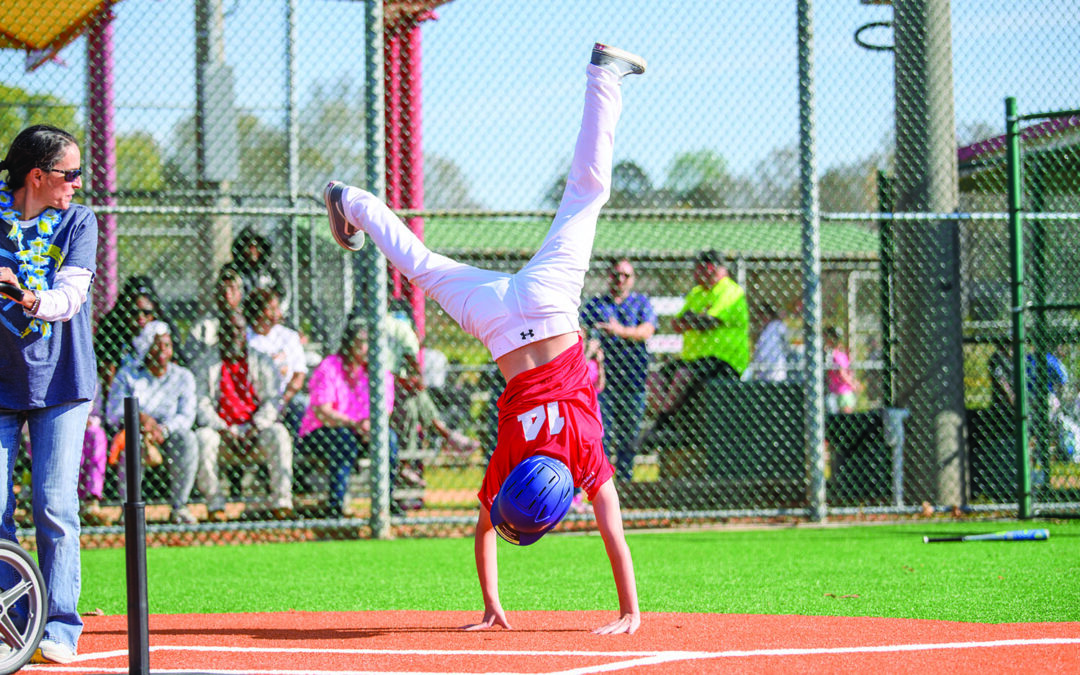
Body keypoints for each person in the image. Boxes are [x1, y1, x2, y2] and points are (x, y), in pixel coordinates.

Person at [322, 43, 644, 635]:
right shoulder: (512, 458)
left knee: (585, 193)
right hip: (499, 324)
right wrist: (490, 602)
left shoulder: (582, 450)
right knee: (419, 265)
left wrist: (631, 609)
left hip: (550, 307)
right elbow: (485, 527)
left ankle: (605, 73)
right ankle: (353, 201)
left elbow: (612, 528)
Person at [0, 124, 97, 664]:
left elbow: (71, 297)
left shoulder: (79, 220)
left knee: (55, 506)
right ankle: (14, 621)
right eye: (70, 173)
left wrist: (25, 295)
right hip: (1, 381)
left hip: (62, 381)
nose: (79, 183)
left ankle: (60, 625)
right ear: (37, 176)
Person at [193, 310, 294, 522]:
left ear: (246, 333)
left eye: (239, 329)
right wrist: (223, 429)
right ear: (220, 334)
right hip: (222, 434)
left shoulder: (263, 361)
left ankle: (281, 503)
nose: (234, 335)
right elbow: (201, 404)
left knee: (279, 433)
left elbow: (273, 400)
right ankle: (215, 505)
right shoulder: (205, 363)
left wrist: (256, 427)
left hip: (256, 433)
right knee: (203, 437)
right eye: (228, 330)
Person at [645, 249, 750, 443]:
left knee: (683, 375)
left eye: (700, 270)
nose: (696, 275)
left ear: (711, 269)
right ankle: (667, 416)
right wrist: (697, 319)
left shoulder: (730, 290)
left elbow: (710, 321)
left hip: (723, 360)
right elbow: (677, 324)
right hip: (694, 360)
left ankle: (664, 422)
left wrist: (694, 319)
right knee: (655, 377)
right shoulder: (697, 293)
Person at [297, 318, 396, 517]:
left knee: (390, 439)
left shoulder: (379, 371)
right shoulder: (329, 367)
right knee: (344, 440)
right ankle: (336, 506)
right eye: (361, 342)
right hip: (324, 431)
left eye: (370, 342)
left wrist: (370, 426)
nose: (366, 348)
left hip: (365, 430)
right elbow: (322, 411)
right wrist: (353, 424)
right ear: (349, 343)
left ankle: (386, 503)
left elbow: (386, 409)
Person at [105, 321, 200, 524]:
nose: (162, 351)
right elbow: (112, 413)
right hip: (137, 433)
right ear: (146, 348)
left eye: (167, 345)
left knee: (189, 438)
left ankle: (179, 507)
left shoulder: (183, 377)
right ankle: (129, 509)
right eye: (157, 345)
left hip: (169, 435)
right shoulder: (128, 375)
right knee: (132, 442)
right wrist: (138, 418)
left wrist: (163, 430)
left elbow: (187, 416)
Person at [580, 258, 655, 482]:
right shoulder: (596, 305)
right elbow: (581, 332)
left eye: (626, 275)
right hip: (602, 383)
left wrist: (619, 331)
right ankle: (601, 484)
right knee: (601, 434)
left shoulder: (641, 303)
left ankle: (625, 482)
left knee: (629, 435)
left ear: (633, 279)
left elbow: (646, 331)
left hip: (633, 380)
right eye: (616, 275)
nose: (620, 280)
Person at [95, 275, 180, 393]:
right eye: (134, 312)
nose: (140, 317)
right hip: (123, 388)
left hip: (157, 389)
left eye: (146, 312)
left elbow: (174, 362)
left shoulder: (163, 328)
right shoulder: (111, 327)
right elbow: (106, 367)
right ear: (124, 309)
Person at [243, 288, 309, 434]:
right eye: (271, 308)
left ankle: (294, 450)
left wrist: (283, 400)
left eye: (277, 308)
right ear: (257, 311)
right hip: (255, 395)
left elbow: (299, 375)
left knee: (300, 404)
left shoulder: (288, 336)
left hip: (284, 395)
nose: (277, 313)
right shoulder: (245, 338)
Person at [184, 265, 244, 366]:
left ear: (240, 293)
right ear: (215, 294)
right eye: (222, 288)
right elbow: (190, 359)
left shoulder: (247, 322)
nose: (227, 293)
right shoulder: (202, 326)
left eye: (232, 288)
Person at [224, 226, 289, 313]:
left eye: (256, 246)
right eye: (247, 245)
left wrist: (275, 311)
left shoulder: (271, 269)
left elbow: (284, 292)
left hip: (269, 315)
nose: (251, 250)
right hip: (240, 315)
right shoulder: (232, 270)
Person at [747, 302, 788, 382]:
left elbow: (764, 352)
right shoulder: (765, 330)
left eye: (761, 315)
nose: (758, 319)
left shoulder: (775, 327)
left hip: (773, 371)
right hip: (763, 372)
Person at [824, 326, 859, 414]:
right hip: (840, 390)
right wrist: (852, 384)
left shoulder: (840, 354)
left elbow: (846, 371)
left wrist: (852, 382)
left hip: (843, 390)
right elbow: (842, 373)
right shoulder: (833, 355)